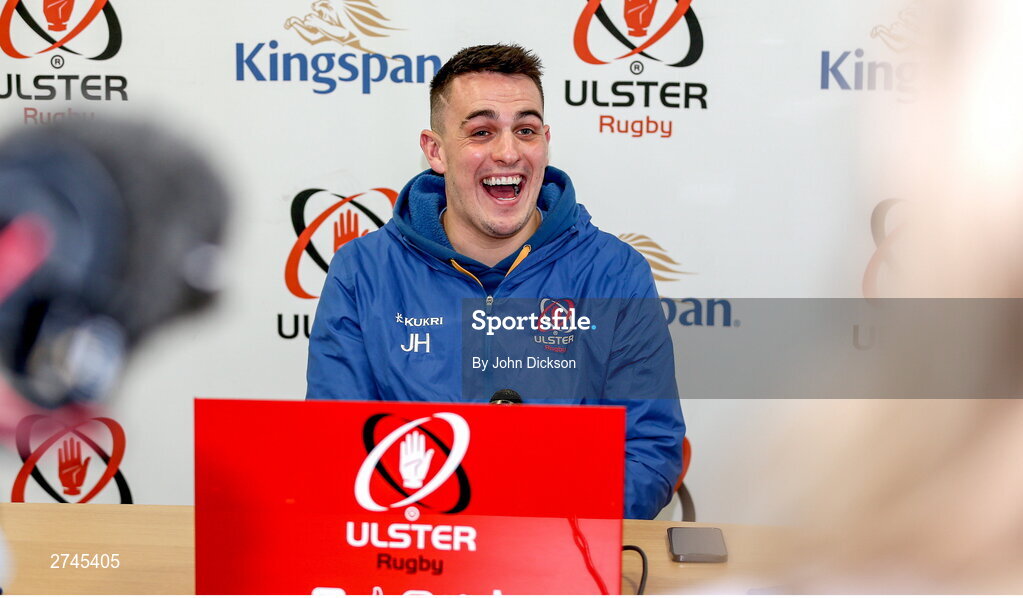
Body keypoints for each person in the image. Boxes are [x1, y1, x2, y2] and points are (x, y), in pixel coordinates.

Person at [306, 44, 684, 519]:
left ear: (545, 140)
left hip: (560, 568)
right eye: (482, 132)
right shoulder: (362, 271)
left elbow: (649, 452)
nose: (508, 152)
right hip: (413, 561)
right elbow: (338, 447)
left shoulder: (615, 272)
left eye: (525, 130)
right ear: (436, 151)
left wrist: (537, 532)